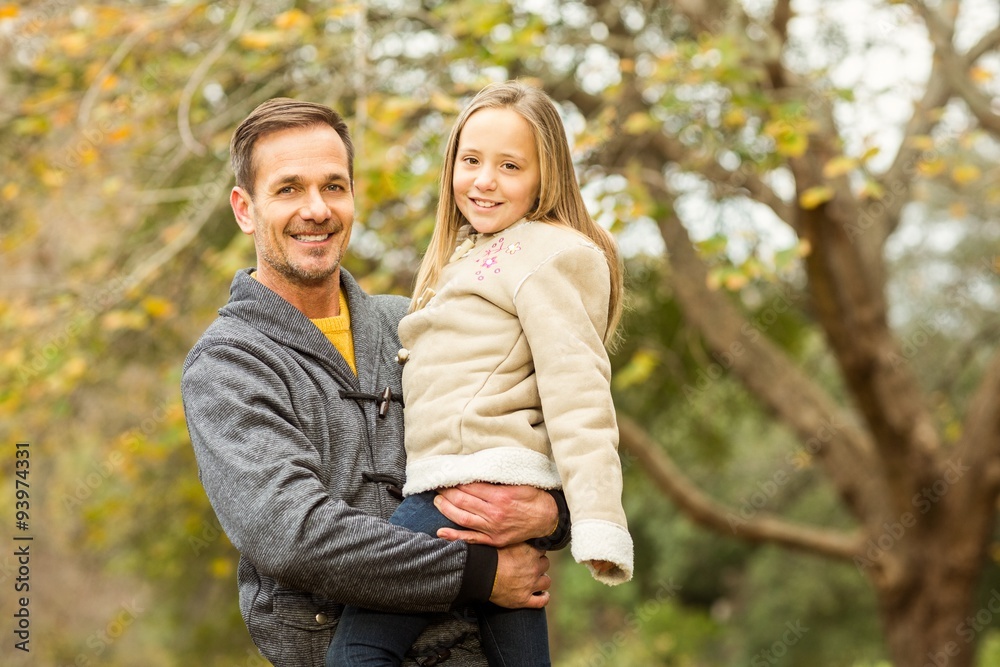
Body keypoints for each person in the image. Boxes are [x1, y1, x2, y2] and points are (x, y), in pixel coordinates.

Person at [181, 97, 569, 667]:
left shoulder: (414, 320)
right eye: (288, 189)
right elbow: (296, 534)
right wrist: (478, 572)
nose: (317, 209)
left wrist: (552, 513)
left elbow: (541, 433)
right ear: (245, 209)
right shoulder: (228, 365)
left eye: (334, 186)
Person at [327, 81, 634, 667]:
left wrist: (597, 522)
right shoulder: (471, 253)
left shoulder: (549, 255)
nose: (484, 180)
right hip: (481, 488)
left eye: (510, 166)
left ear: (546, 177)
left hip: (465, 490)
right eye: (471, 161)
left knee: (357, 652)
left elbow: (579, 392)